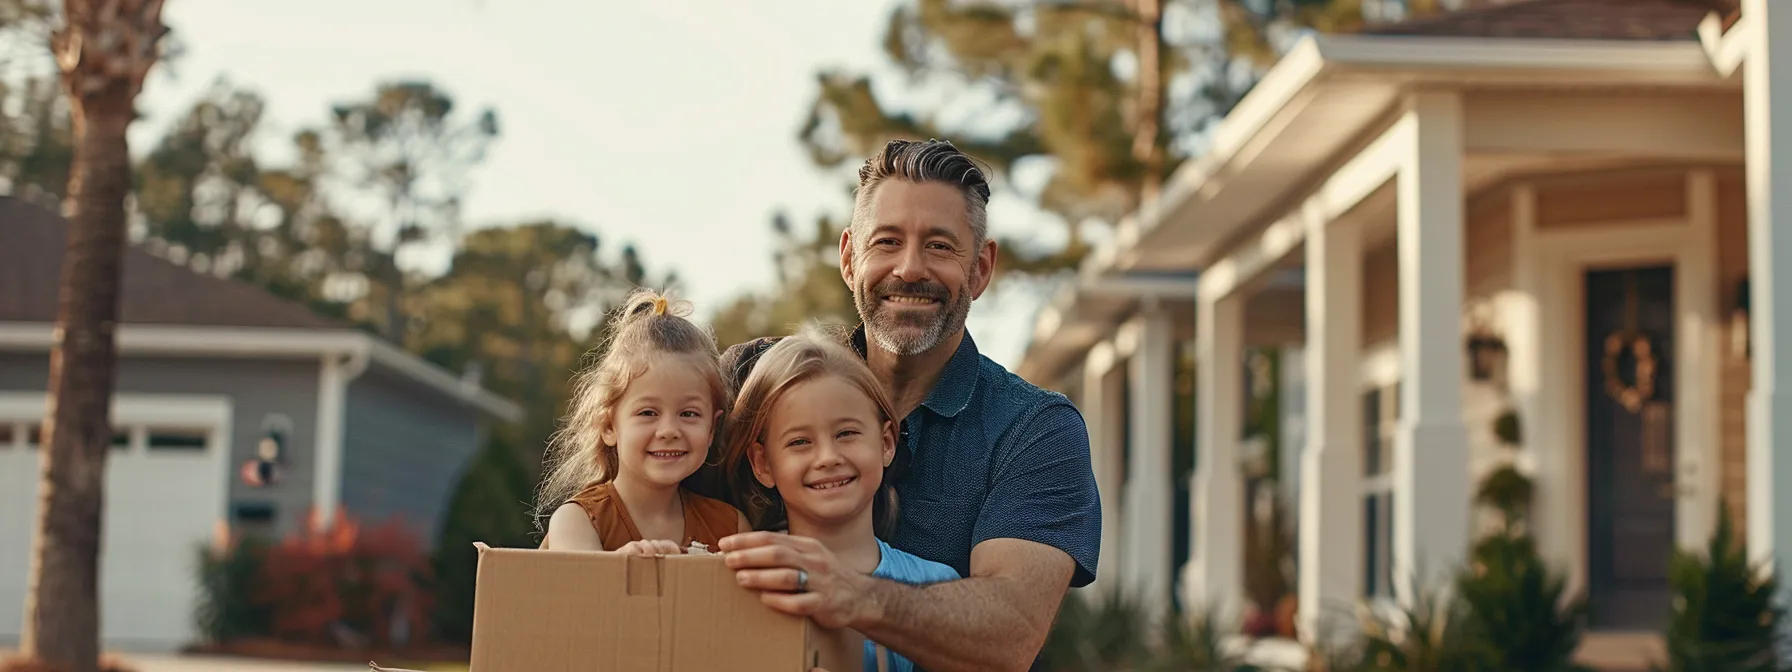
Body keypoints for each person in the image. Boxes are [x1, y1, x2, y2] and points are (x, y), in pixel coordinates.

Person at [712, 139, 1102, 671]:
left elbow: (1010, 632)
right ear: (850, 258)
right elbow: (628, 498)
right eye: (887, 242)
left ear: (982, 268)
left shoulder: (1034, 430)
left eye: (940, 246)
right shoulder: (751, 383)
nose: (910, 268)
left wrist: (851, 593)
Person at [723, 326, 960, 672]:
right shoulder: (742, 585)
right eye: (799, 442)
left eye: (846, 433)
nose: (827, 457)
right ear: (762, 463)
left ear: (886, 443)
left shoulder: (938, 589)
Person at [536, 289, 750, 555]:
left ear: (711, 429)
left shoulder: (732, 529)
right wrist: (622, 572)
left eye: (689, 414)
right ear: (608, 426)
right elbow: (582, 594)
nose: (669, 431)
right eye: (648, 413)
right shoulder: (577, 522)